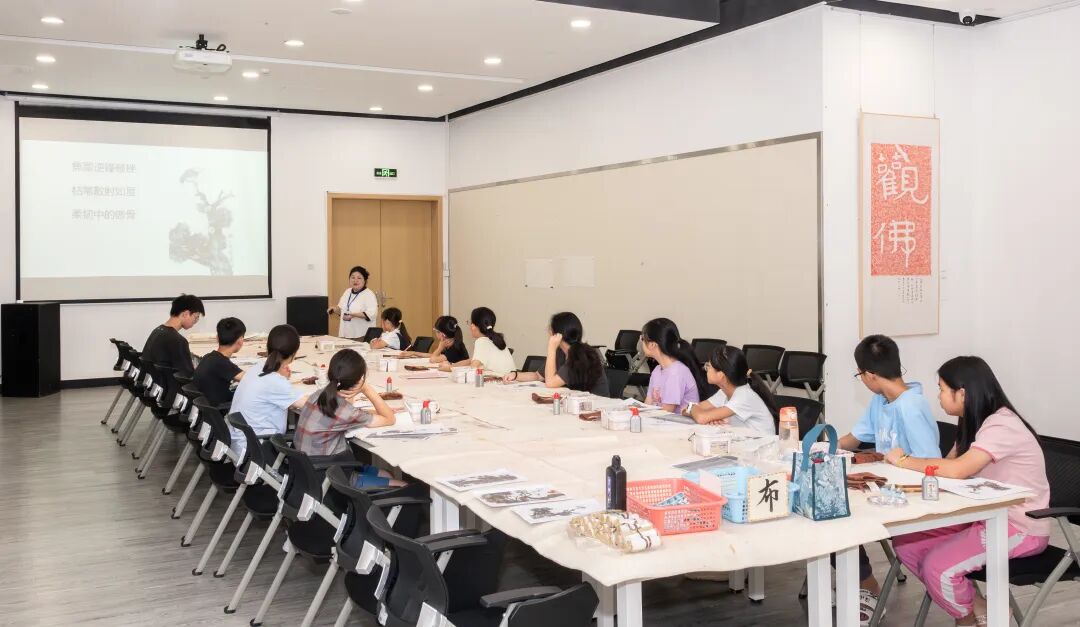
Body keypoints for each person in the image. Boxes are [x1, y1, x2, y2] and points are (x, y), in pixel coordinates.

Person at [886, 357, 1049, 626]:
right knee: (908, 543)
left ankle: (966, 619)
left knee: (938, 568)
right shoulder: (974, 422)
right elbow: (949, 466)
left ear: (962, 393)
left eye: (941, 389)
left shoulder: (1002, 424)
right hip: (984, 516)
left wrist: (903, 460)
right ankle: (980, 607)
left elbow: (957, 470)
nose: (938, 396)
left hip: (1018, 527)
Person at [831, 335, 942, 623]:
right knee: (828, 512)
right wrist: (823, 448)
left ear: (869, 375)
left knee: (837, 520)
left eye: (859, 374)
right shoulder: (880, 401)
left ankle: (867, 588)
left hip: (909, 495)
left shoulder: (911, 406)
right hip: (883, 488)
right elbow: (856, 437)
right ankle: (858, 582)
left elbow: (931, 463)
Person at [294, 349, 404, 487]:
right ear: (359, 379)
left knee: (386, 474)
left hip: (308, 469)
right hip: (330, 477)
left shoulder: (319, 395)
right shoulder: (345, 411)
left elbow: (346, 410)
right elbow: (389, 419)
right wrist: (366, 388)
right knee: (402, 485)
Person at [228, 324, 308, 458]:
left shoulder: (257, 368)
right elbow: (310, 405)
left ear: (268, 346)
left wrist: (282, 379)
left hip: (242, 444)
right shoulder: (275, 381)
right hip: (258, 450)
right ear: (294, 353)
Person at [503, 312, 608, 396]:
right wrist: (515, 375)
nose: (548, 331)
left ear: (557, 334)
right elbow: (538, 376)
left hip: (596, 406)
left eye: (550, 329)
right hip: (576, 403)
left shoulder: (581, 355)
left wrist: (551, 348)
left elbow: (550, 383)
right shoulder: (560, 351)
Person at [684, 346, 777, 434]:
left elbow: (701, 418)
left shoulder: (744, 395)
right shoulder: (723, 392)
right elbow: (685, 409)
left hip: (763, 443)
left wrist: (693, 409)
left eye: (709, 366)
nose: (705, 369)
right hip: (746, 441)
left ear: (721, 375)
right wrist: (698, 411)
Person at [640, 318, 706, 414]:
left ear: (652, 344)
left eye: (642, 338)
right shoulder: (657, 370)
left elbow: (666, 412)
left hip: (676, 422)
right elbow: (648, 404)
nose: (641, 342)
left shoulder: (676, 373)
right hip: (660, 420)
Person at [142, 294, 204, 378]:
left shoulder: (158, 331)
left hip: (154, 382)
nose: (196, 321)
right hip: (167, 384)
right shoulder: (177, 340)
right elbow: (187, 376)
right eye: (196, 317)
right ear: (185, 314)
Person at [441, 306, 515, 374]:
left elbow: (473, 369)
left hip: (501, 382)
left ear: (473, 326)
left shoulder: (481, 341)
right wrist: (451, 366)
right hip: (512, 380)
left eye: (470, 322)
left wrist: (450, 368)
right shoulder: (495, 340)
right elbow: (470, 361)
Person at [192, 317, 247, 406]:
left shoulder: (209, 357)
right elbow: (250, 380)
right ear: (240, 341)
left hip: (205, 407)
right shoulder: (221, 363)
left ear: (217, 338)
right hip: (219, 408)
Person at [328, 266, 378, 339]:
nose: (355, 280)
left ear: (365, 280)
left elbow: (371, 314)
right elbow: (341, 309)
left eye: (359, 278)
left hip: (361, 335)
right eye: (353, 277)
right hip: (345, 333)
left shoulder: (369, 294)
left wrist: (353, 315)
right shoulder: (347, 292)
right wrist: (334, 309)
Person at [398, 315, 469, 364]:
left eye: (436, 331)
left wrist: (439, 348)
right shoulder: (451, 342)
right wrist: (414, 353)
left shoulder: (454, 348)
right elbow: (434, 355)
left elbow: (432, 359)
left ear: (442, 334)